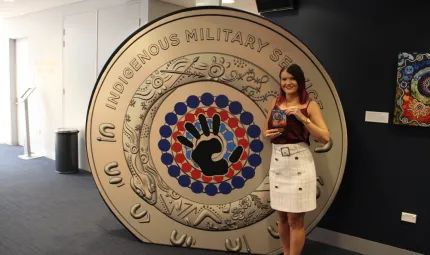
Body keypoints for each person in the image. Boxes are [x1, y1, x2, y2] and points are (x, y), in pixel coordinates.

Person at [263, 64, 330, 255]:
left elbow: (324, 137)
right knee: (282, 218)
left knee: (295, 220)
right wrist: (267, 134)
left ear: (299, 81)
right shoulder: (275, 102)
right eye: (284, 79)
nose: (287, 82)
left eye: (292, 79)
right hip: (278, 163)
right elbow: (264, 130)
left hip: (299, 162)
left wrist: (302, 118)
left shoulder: (309, 105)